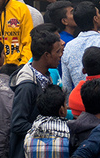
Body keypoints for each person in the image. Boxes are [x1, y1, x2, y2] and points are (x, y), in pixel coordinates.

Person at [9, 27, 64, 158]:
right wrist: (48, 131)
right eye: (57, 52)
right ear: (46, 55)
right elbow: (17, 123)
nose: (60, 55)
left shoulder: (47, 77)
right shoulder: (27, 85)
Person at [61, 2, 100, 94]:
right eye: (98, 13)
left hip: (78, 101)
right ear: (95, 19)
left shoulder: (69, 47)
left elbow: (66, 85)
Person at [22, 85, 70, 158]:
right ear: (61, 110)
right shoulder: (68, 135)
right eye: (65, 104)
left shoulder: (29, 136)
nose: (67, 107)